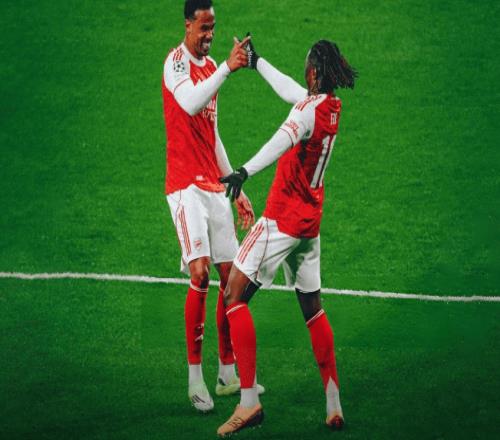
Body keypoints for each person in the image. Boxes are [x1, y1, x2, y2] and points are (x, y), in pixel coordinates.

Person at [216, 38, 357, 436]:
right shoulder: (329, 106)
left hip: (281, 221)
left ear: (313, 72)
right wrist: (257, 61)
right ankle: (334, 404)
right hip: (310, 225)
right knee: (313, 310)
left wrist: (243, 171)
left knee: (233, 295)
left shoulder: (306, 113)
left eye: (306, 65)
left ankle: (248, 403)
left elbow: (281, 140)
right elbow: (290, 92)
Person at [162, 0, 263, 412]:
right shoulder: (176, 64)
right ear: (188, 25)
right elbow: (188, 103)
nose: (209, 36)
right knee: (200, 273)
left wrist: (234, 186)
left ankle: (226, 373)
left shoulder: (209, 70)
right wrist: (227, 68)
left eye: (213, 28)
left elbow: (211, 133)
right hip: (184, 187)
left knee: (231, 280)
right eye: (204, 28)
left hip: (212, 184)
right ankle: (194, 378)